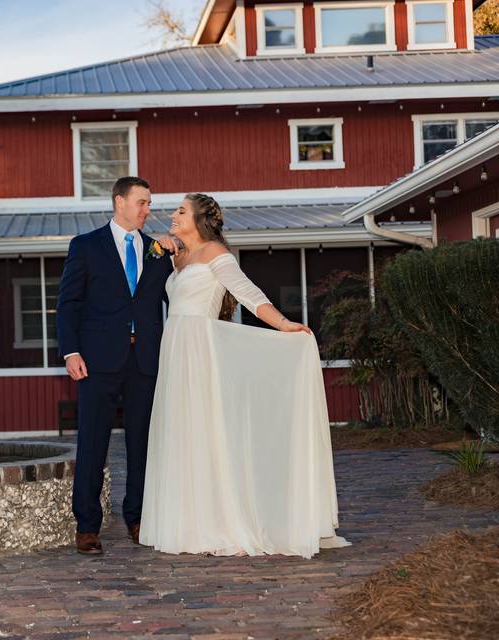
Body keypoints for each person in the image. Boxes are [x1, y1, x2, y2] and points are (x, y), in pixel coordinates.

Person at [139, 193, 350, 558]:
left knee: (206, 431)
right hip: (174, 348)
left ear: (200, 219)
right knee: (181, 430)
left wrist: (284, 324)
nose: (173, 215)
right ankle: (187, 522)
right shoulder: (178, 258)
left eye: (181, 211)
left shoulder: (217, 254)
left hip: (198, 347)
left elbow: (248, 294)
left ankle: (219, 522)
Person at [56, 176, 178, 555]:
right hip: (96, 362)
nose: (148, 210)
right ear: (119, 202)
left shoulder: (159, 251)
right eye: (142, 202)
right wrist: (70, 352)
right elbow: (68, 304)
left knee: (143, 443)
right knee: (94, 443)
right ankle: (87, 526)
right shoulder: (86, 246)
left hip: (144, 361)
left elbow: (172, 301)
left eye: (149, 203)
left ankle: (138, 517)